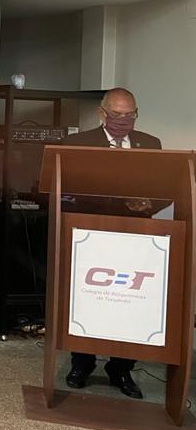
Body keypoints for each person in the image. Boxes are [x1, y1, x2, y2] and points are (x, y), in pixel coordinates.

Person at [62, 87, 161, 400]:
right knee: (88, 301)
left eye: (129, 115)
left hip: (136, 238)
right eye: (116, 114)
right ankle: (82, 364)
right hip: (91, 236)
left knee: (130, 304)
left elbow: (167, 187)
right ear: (102, 113)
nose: (123, 120)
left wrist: (148, 204)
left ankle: (121, 368)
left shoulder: (151, 144)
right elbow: (67, 190)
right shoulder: (78, 143)